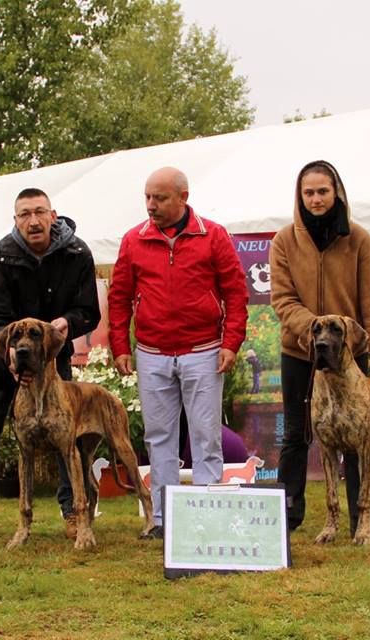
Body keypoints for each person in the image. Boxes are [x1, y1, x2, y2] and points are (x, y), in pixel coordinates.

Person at [109, 167, 249, 540]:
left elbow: (236, 293)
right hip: (152, 352)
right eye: (147, 198)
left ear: (183, 197)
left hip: (204, 351)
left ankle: (206, 516)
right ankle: (162, 521)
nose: (151, 206)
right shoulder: (133, 240)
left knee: (206, 436)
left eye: (160, 198)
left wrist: (231, 342)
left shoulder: (213, 236)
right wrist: (120, 346)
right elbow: (119, 297)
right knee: (159, 438)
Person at [0, 188, 101, 542]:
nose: (32, 221)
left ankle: (72, 513)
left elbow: (89, 311)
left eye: (39, 212)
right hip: (1, 365)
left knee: (69, 442)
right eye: (24, 214)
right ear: (15, 220)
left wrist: (68, 322)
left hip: (51, 367)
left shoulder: (77, 253)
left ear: (53, 216)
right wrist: (8, 351)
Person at [269, 159, 370, 538]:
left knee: (359, 439)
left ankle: (365, 521)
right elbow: (282, 300)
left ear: (336, 193)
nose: (315, 199)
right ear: (300, 196)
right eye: (308, 192)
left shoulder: (358, 239)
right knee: (296, 434)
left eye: (322, 191)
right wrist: (317, 331)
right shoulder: (284, 241)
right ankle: (288, 515)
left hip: (349, 355)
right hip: (300, 353)